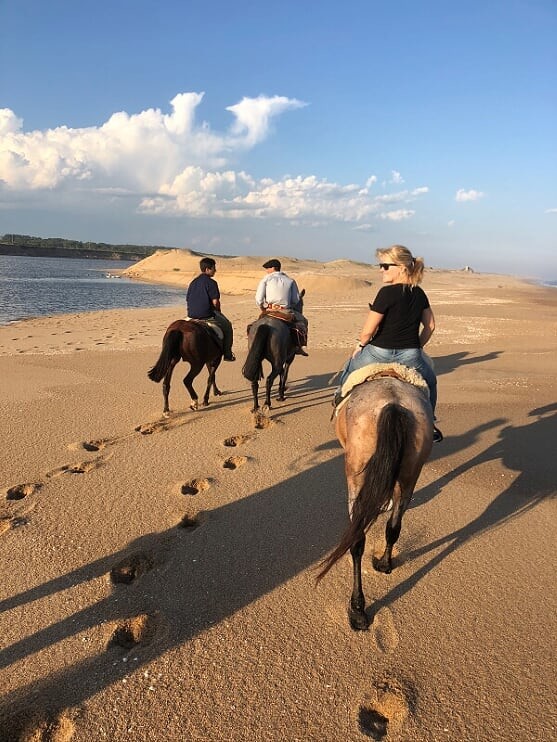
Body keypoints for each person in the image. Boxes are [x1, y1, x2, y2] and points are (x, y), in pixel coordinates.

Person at [336, 245, 442, 442]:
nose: (381, 270)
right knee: (431, 382)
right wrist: (416, 347)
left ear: (401, 267)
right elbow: (431, 326)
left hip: (378, 353)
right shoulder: (419, 293)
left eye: (385, 266)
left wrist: (360, 346)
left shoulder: (386, 293)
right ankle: (431, 423)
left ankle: (338, 405)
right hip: (411, 356)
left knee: (349, 370)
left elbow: (368, 330)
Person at [255, 259, 309, 355]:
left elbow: (259, 299)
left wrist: (263, 308)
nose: (267, 271)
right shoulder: (290, 281)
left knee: (253, 326)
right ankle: (299, 346)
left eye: (268, 268)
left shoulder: (265, 279)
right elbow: (296, 300)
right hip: (285, 311)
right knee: (303, 322)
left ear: (273, 268)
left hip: (269, 310)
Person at [186, 257, 235, 361]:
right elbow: (215, 302)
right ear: (208, 269)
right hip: (206, 316)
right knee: (228, 326)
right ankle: (227, 353)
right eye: (214, 268)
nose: (215, 270)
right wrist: (218, 312)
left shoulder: (193, 282)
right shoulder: (211, 283)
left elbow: (188, 299)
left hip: (190, 315)